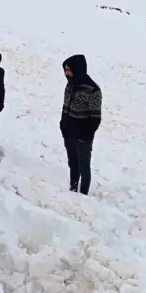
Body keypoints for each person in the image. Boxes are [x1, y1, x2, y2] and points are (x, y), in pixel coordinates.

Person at [60, 54, 102, 195]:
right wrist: (63, 125)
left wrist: (84, 136)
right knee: (73, 164)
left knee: (84, 168)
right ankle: (72, 191)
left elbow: (95, 118)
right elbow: (65, 106)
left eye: (69, 70)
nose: (67, 73)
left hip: (83, 138)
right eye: (65, 70)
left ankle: (83, 196)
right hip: (69, 133)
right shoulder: (70, 84)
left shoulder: (93, 90)